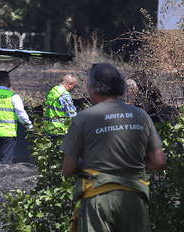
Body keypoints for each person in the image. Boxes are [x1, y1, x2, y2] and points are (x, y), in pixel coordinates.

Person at [60, 63, 166, 232]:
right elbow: (159, 162)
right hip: (134, 198)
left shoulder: (83, 118)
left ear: (93, 87)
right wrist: (127, 162)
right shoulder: (141, 116)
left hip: (97, 199)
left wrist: (96, 161)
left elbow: (68, 168)